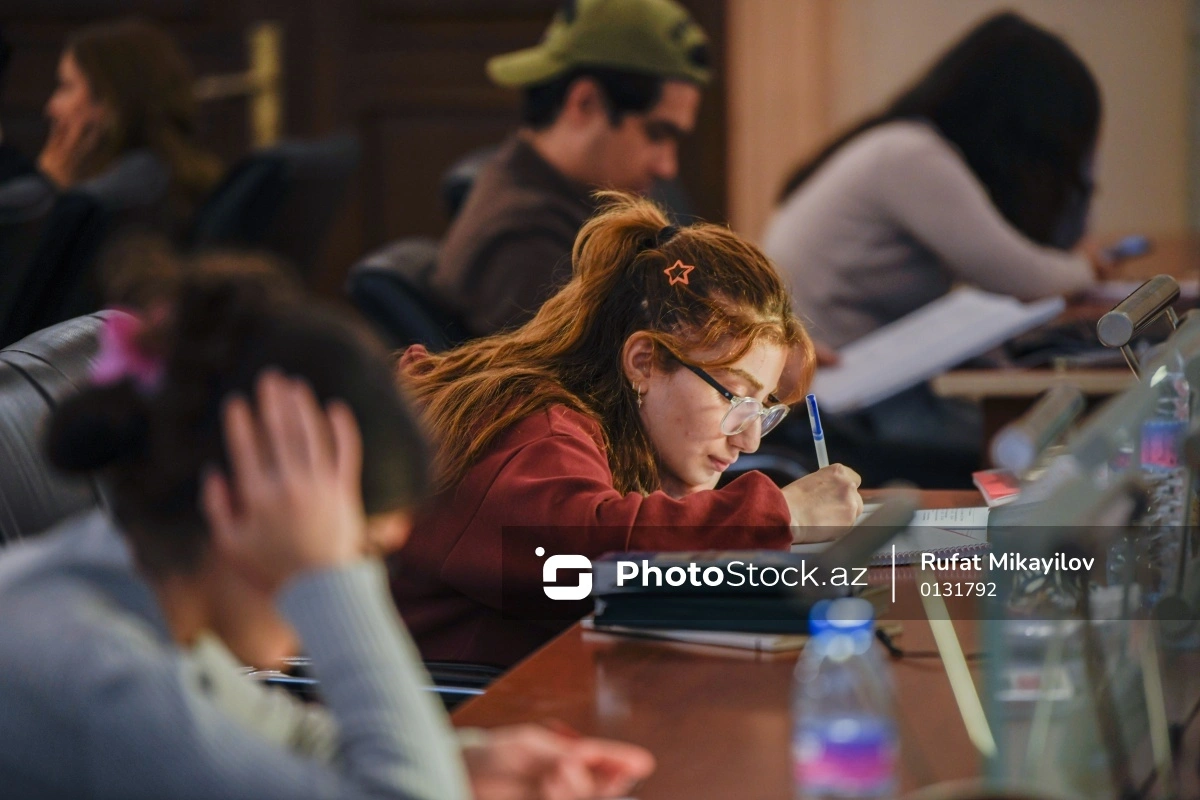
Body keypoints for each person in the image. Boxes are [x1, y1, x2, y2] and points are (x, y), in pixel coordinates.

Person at [0, 251, 653, 799]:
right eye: (357, 552)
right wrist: (328, 577)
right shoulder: (91, 671)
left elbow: (286, 736)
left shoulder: (134, 598)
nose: (361, 576)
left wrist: (471, 760)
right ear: (246, 508)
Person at [393, 193, 864, 668]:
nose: (749, 440)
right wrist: (783, 513)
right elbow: (594, 555)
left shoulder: (607, 431)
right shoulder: (533, 431)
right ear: (644, 362)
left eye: (762, 409)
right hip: (462, 716)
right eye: (733, 397)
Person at [762, 11, 1116, 477]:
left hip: (856, 389)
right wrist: (1089, 265)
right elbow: (1024, 276)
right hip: (834, 406)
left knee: (1031, 435)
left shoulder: (900, 144)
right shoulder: (913, 156)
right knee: (1038, 448)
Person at [425, 0, 712, 337]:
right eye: (657, 133)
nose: (667, 167)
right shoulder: (524, 245)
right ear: (585, 102)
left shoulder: (562, 202)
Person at [38, 18, 222, 230]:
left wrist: (50, 192)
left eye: (66, 87)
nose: (51, 107)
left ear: (109, 100)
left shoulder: (103, 202)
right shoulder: (195, 181)